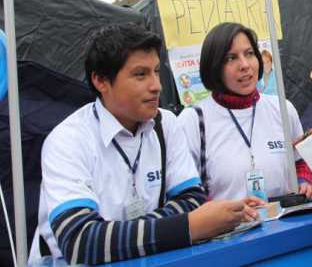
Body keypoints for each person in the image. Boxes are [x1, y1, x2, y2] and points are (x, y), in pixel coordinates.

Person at [29, 24, 260, 265]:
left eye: (157, 71)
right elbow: (80, 241)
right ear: (101, 81)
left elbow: (192, 199)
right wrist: (189, 226)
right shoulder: (69, 140)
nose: (156, 85)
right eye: (140, 74)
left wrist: (125, 234)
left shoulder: (166, 124)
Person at [178, 22, 312, 202]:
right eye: (231, 58)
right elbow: (185, 193)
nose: (244, 65)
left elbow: (300, 161)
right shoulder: (194, 120)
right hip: (228, 229)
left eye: (250, 53)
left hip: (286, 225)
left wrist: (303, 183)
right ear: (214, 66)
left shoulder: (282, 109)